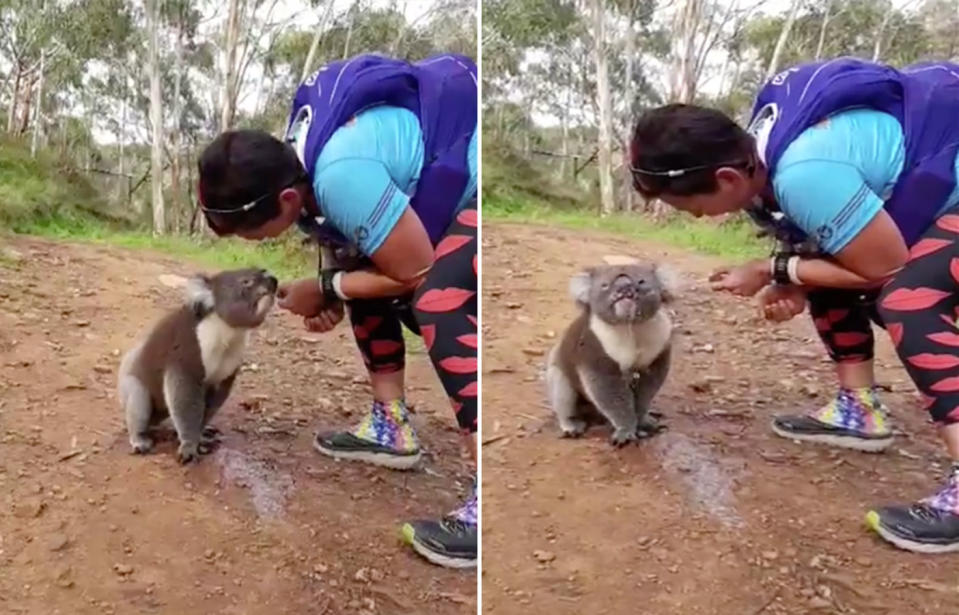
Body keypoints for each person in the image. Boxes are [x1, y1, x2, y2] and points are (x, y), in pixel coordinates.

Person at [628, 56, 959, 553]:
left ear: (725, 178)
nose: (696, 218)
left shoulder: (803, 174)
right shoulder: (760, 158)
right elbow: (836, 250)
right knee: (818, 261)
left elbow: (885, 268)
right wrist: (799, 277)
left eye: (690, 207)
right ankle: (859, 411)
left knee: (910, 300)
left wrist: (776, 271)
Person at [196, 52, 478, 568]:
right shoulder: (299, 163)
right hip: (420, 193)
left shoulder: (339, 175)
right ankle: (391, 428)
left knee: (439, 300)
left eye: (249, 231)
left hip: (479, 188)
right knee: (358, 264)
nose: (250, 242)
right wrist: (335, 288)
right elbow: (351, 247)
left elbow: (416, 271)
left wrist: (330, 285)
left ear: (284, 200)